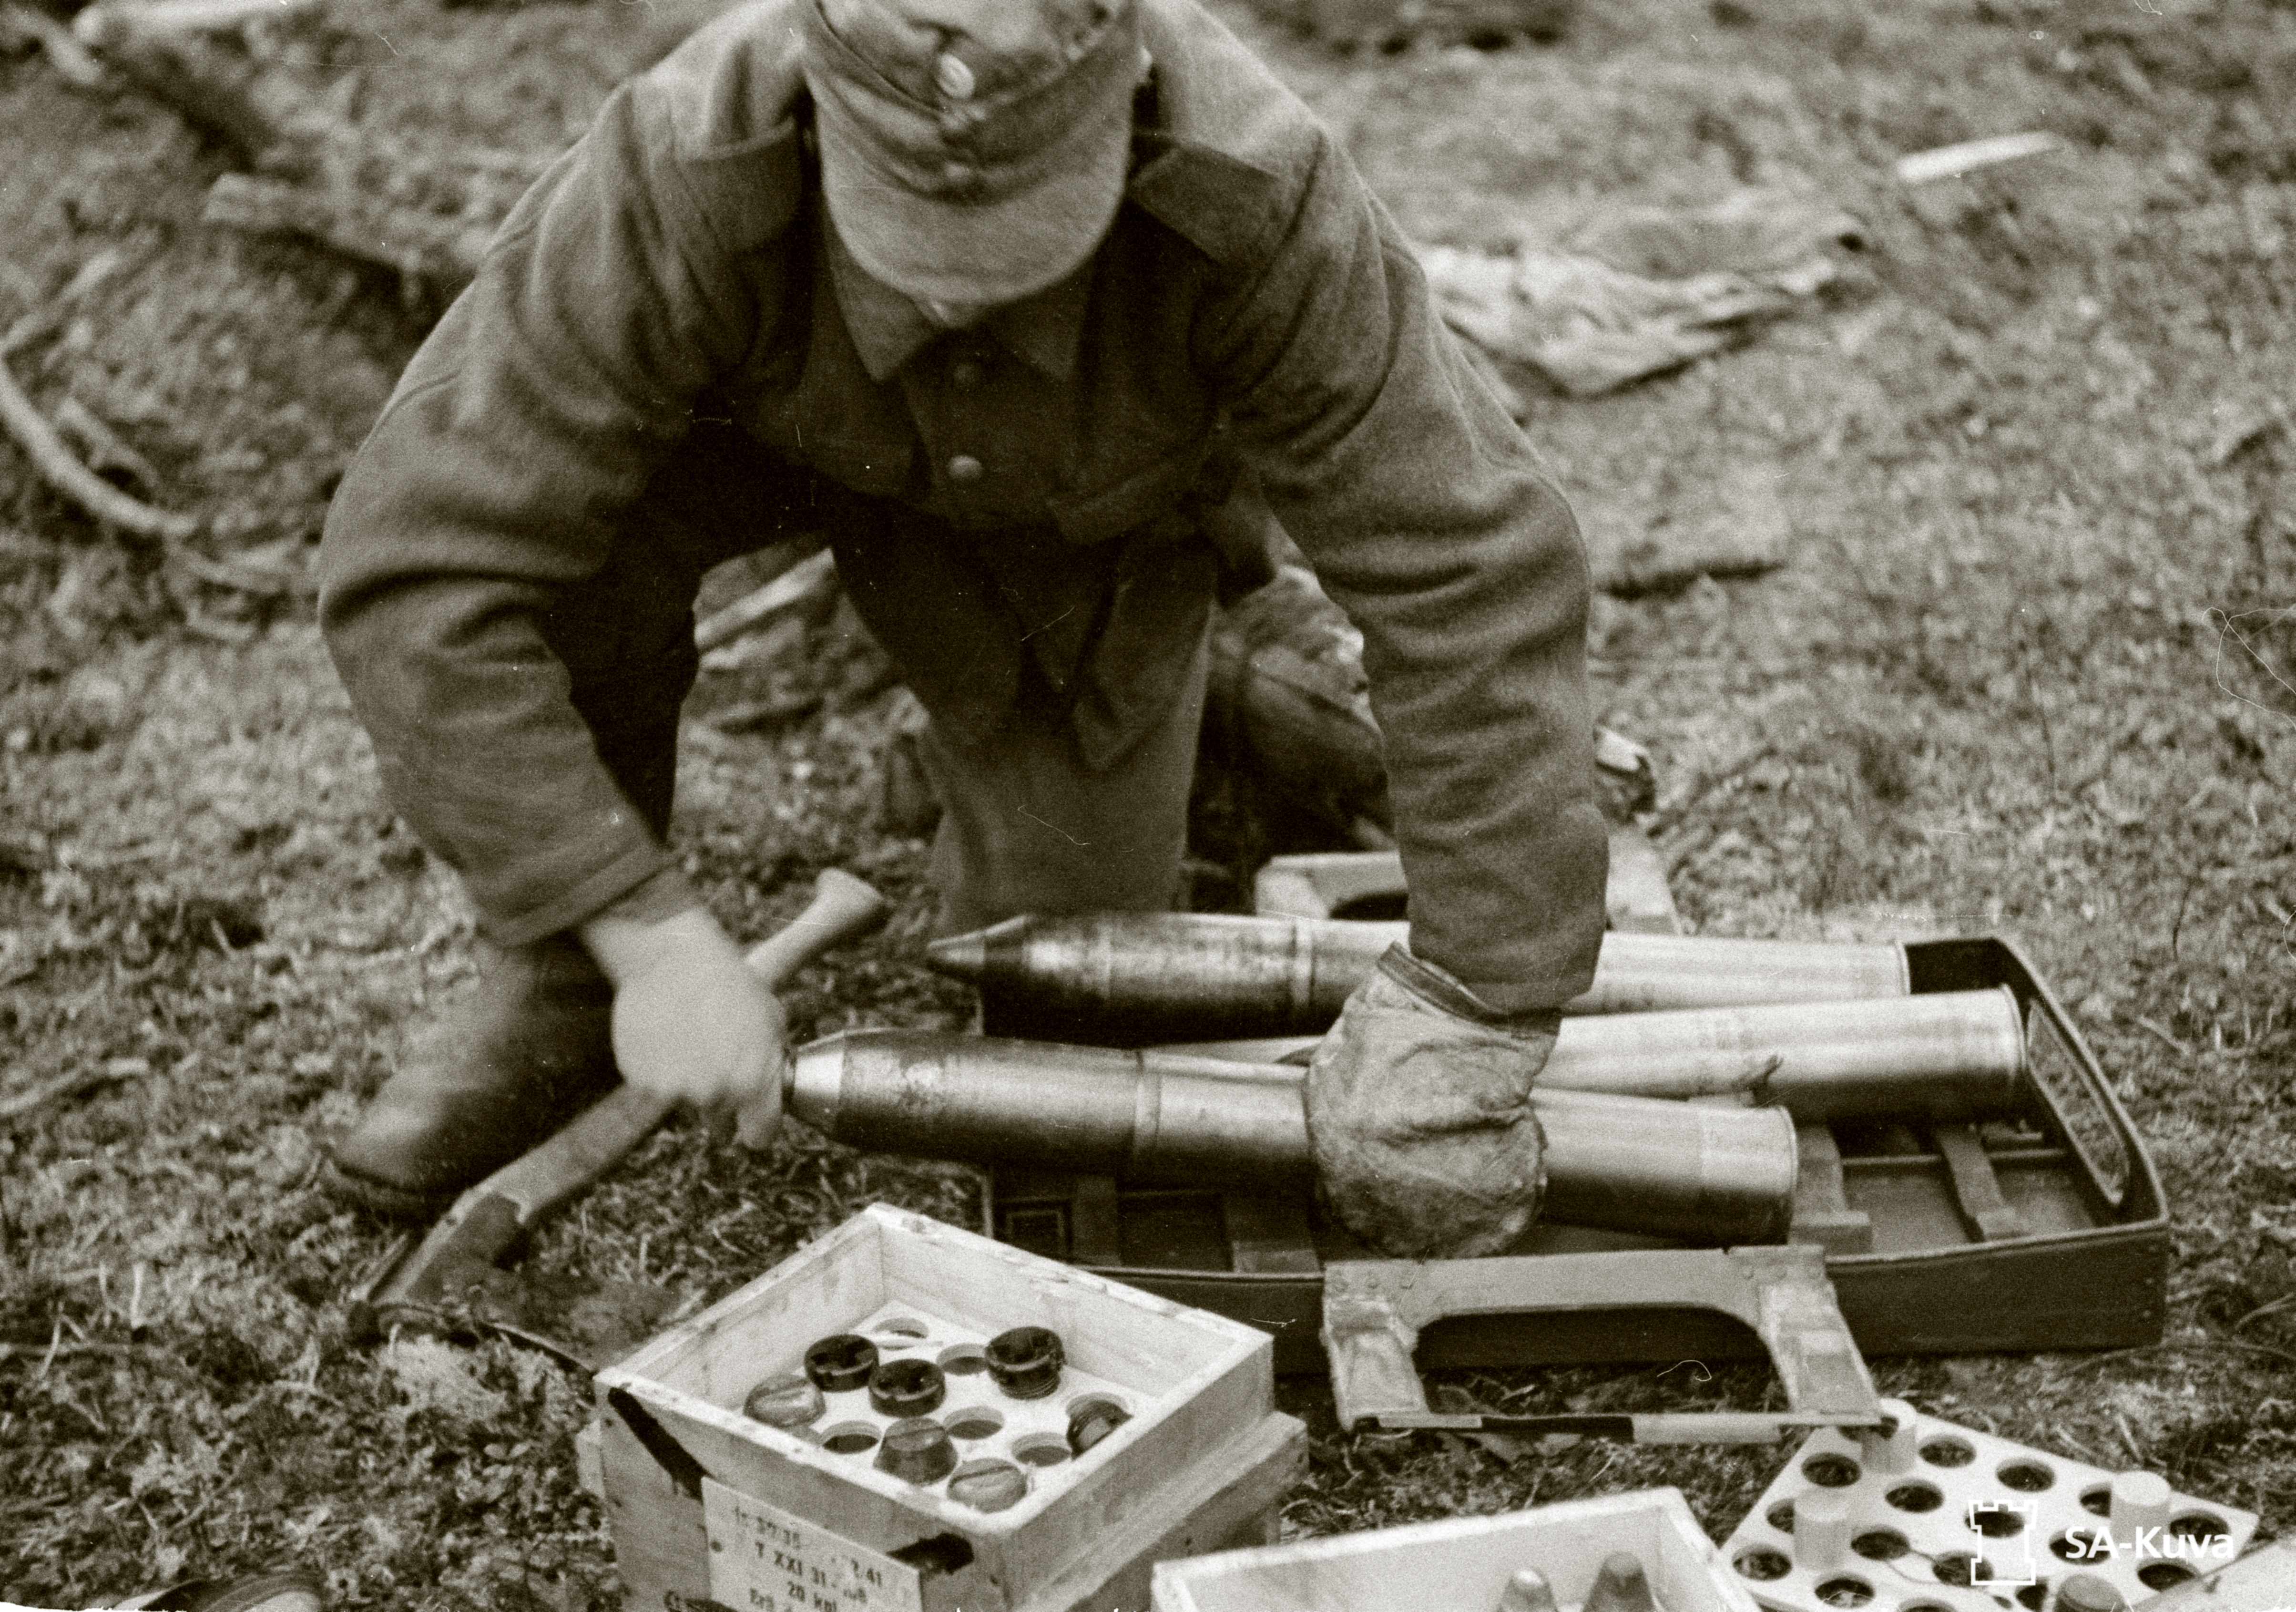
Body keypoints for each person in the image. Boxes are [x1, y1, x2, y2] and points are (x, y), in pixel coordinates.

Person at [315, 0, 1608, 1258]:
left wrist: (1477, 997)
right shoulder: (679, 161)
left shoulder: (1254, 190)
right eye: (913, 244)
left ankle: (1205, 665)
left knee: (1051, 991)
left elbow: (1469, 569)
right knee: (553, 555)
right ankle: (563, 979)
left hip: (1083, 522)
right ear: (818, 110)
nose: (956, 302)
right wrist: (640, 934)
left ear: (1125, 87)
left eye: (1014, 245)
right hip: (773, 437)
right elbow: (419, 566)